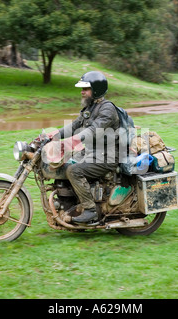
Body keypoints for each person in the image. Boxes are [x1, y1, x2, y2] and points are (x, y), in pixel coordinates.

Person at [47, 71, 121, 223]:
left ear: (96, 89)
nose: (82, 92)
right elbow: (75, 125)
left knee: (74, 171)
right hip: (92, 152)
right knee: (65, 164)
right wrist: (54, 134)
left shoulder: (107, 109)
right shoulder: (91, 107)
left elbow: (94, 130)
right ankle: (71, 202)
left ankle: (90, 209)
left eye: (85, 89)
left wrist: (73, 140)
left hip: (107, 156)